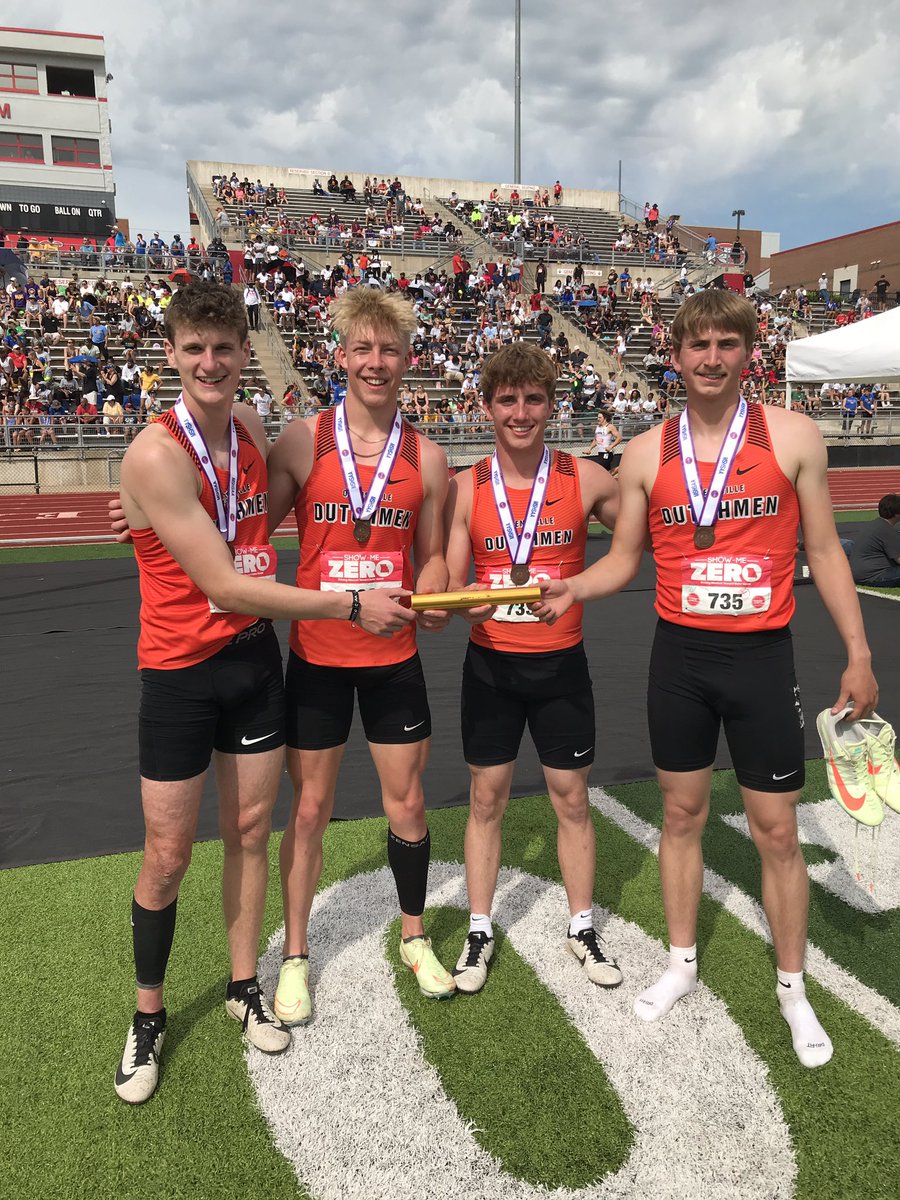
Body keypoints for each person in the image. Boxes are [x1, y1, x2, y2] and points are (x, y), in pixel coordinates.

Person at [533, 290, 879, 1069]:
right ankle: (682, 962)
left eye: (728, 344)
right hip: (681, 661)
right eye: (699, 346)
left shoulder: (793, 436)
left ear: (748, 352)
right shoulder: (648, 452)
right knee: (681, 815)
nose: (713, 358)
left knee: (779, 831)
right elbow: (624, 557)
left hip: (761, 659)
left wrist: (858, 651)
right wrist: (577, 586)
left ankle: (792, 985)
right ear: (677, 355)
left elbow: (825, 550)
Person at [112, 282, 413, 1105]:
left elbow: (287, 514)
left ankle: (245, 985)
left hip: (252, 664)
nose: (211, 362)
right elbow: (226, 584)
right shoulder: (153, 454)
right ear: (171, 355)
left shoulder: (250, 431)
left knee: (250, 828)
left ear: (246, 354)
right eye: (194, 348)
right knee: (169, 855)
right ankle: (148, 1014)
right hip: (178, 671)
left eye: (225, 347)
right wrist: (349, 604)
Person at [263, 288, 455, 1027]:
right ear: (340, 356)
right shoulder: (302, 439)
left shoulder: (428, 459)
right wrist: (149, 510)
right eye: (363, 350)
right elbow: (249, 531)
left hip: (393, 661)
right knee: (309, 808)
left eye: (390, 350)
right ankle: (297, 954)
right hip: (316, 654)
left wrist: (432, 594)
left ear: (408, 361)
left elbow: (432, 557)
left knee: (406, 803)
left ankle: (412, 936)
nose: (376, 363)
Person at [443, 342, 622, 994]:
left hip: (560, 669)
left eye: (534, 399)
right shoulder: (468, 487)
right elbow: (455, 574)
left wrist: (588, 586)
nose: (521, 412)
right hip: (490, 668)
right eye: (508, 399)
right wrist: (467, 600)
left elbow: (648, 533)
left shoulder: (587, 478)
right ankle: (481, 927)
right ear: (488, 406)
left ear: (551, 405)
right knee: (485, 798)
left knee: (572, 800)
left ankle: (581, 926)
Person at [848, 494, 900, 586]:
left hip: (861, 573)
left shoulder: (876, 524)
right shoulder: (887, 530)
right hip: (873, 575)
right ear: (896, 514)